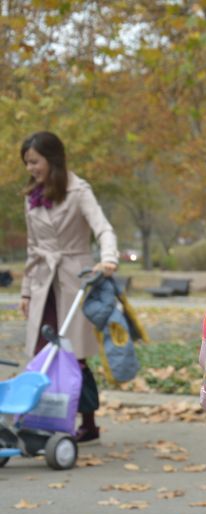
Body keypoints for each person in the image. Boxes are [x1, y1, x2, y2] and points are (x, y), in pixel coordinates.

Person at [20, 131, 118, 444]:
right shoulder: (32, 197)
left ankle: (87, 422)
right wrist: (25, 291)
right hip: (42, 283)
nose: (30, 168)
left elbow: (103, 229)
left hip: (74, 280)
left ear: (52, 159)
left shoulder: (79, 191)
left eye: (34, 161)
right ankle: (45, 419)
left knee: (74, 355)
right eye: (27, 163)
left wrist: (108, 258)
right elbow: (32, 247)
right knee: (43, 352)